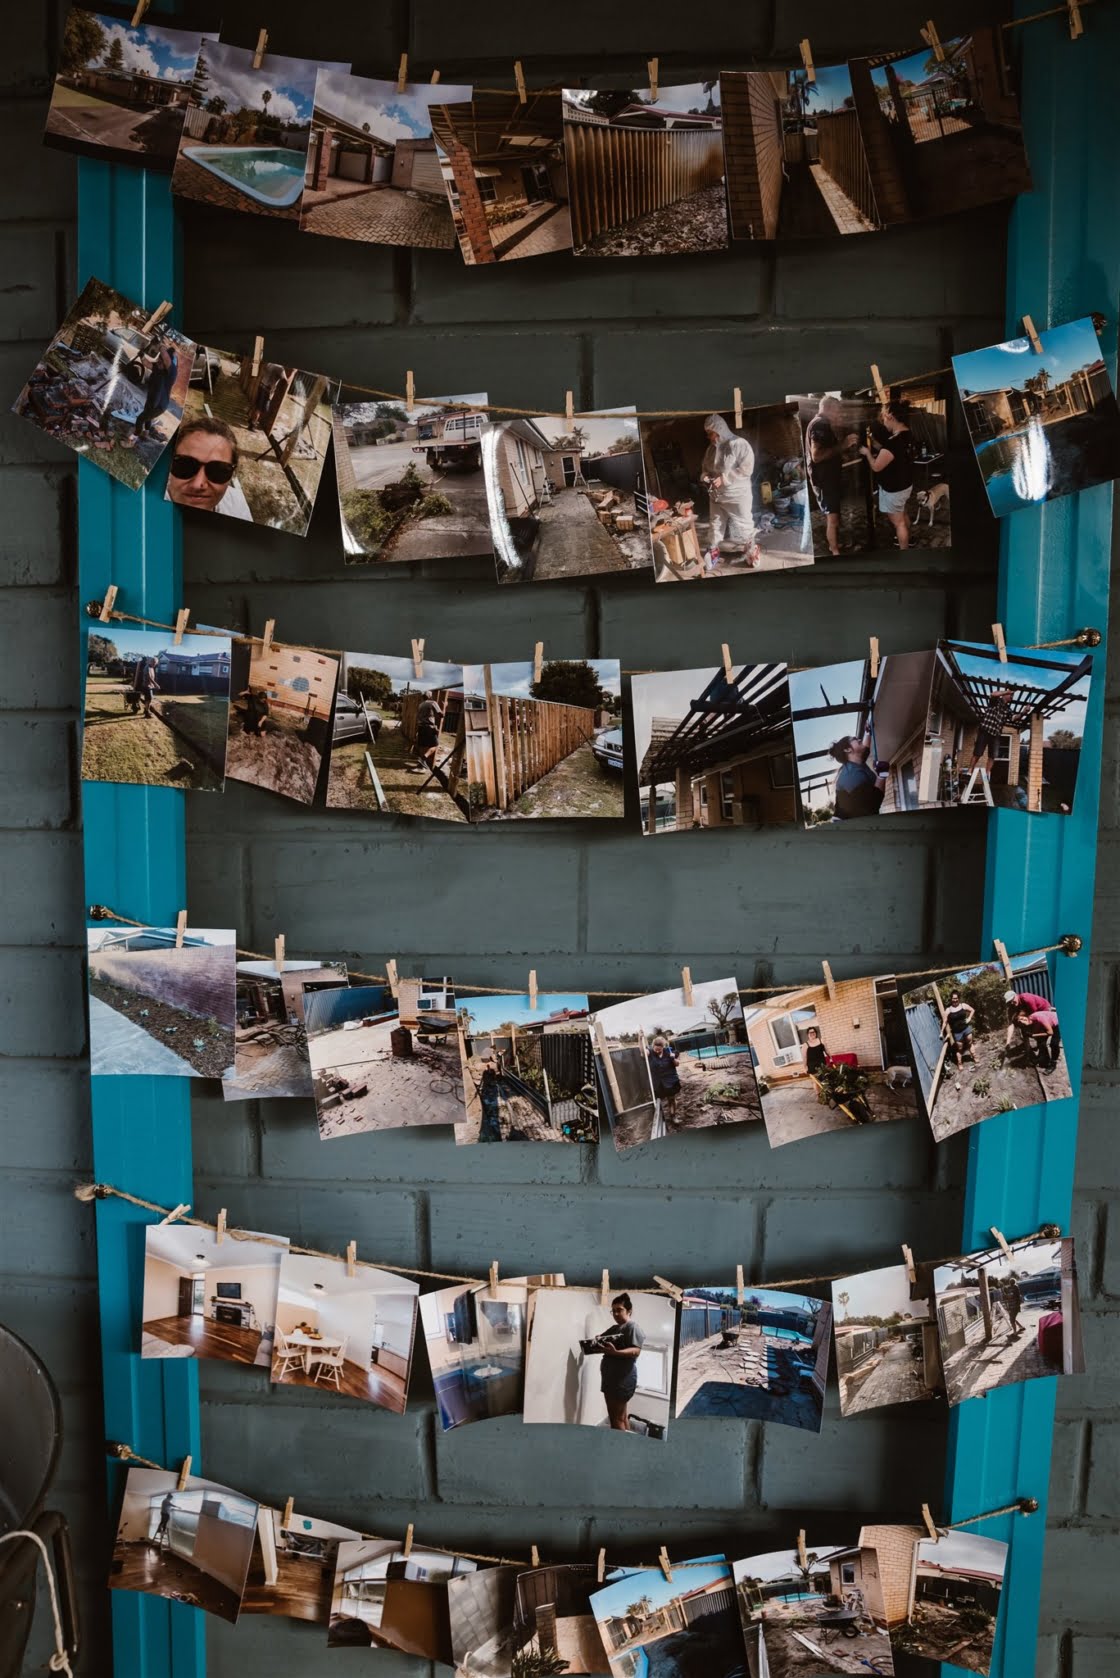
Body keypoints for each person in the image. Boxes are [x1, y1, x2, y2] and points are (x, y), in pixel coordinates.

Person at [700, 414, 760, 568]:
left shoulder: (739, 444)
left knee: (744, 524)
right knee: (715, 524)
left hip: (737, 496)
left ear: (719, 429)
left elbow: (747, 468)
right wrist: (706, 477)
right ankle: (713, 549)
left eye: (711, 433)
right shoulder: (710, 450)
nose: (709, 437)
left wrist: (724, 478)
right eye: (707, 434)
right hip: (716, 496)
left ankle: (751, 549)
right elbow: (705, 469)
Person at [165, 417, 251, 519]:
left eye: (217, 471)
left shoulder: (238, 506)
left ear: (232, 474)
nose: (197, 485)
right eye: (185, 466)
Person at [805, 397, 859, 556]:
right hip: (824, 481)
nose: (839, 414)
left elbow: (827, 451)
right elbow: (817, 456)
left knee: (834, 515)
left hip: (828, 479)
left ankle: (834, 544)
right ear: (828, 408)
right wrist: (843, 445)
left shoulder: (821, 423)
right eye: (837, 410)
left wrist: (841, 455)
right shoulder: (820, 424)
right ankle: (835, 551)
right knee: (832, 518)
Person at [859, 400, 914, 550]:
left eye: (883, 418)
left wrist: (867, 453)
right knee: (902, 514)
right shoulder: (908, 434)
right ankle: (909, 539)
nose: (883, 422)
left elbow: (876, 467)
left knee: (899, 523)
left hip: (895, 490)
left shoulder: (894, 442)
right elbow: (890, 453)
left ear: (890, 416)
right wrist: (873, 441)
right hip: (905, 485)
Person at [593, 1293, 645, 1432]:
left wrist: (615, 1352)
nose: (615, 1314)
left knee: (615, 1419)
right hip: (611, 1378)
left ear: (629, 1311)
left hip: (621, 1379)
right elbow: (602, 1340)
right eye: (613, 1311)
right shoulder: (615, 1328)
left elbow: (636, 1351)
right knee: (621, 1417)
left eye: (619, 1310)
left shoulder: (633, 1327)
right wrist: (598, 1340)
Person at [828, 734, 888, 821]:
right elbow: (873, 804)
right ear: (847, 749)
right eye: (854, 739)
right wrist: (882, 775)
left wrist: (868, 733)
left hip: (861, 819)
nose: (859, 739)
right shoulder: (851, 776)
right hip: (847, 825)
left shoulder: (858, 761)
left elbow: (866, 750)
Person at [133, 335, 178, 440]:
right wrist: (142, 356)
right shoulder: (158, 367)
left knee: (140, 419)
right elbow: (147, 363)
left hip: (159, 405)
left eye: (160, 361)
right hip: (151, 400)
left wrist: (160, 345)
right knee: (147, 418)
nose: (158, 362)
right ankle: (146, 434)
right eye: (158, 360)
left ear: (166, 363)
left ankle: (132, 439)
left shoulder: (171, 373)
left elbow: (166, 358)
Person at [966, 685, 1015, 778]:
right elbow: (993, 694)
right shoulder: (995, 701)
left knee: (992, 756)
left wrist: (1024, 712)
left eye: (1012, 696)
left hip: (996, 734)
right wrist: (1007, 691)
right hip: (985, 730)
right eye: (1011, 695)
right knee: (977, 753)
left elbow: (1013, 718)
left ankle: (987, 773)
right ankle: (970, 770)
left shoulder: (1008, 709)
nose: (1012, 697)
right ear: (1005, 694)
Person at [1004, 987, 1062, 1064]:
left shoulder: (1026, 998)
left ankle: (1047, 1057)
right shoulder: (1012, 1006)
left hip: (1043, 1009)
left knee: (1042, 1036)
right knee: (1031, 1033)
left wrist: (1035, 1033)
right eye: (1009, 1002)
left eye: (1012, 1000)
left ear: (1016, 995)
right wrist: (1008, 1042)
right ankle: (1036, 1054)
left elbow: (1034, 1015)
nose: (1012, 1003)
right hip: (1033, 1015)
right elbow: (1011, 1024)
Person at [1014, 998, 1061, 1071]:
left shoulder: (1038, 1018)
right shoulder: (1030, 1022)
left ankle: (1053, 1064)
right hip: (1049, 1023)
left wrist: (1033, 1035)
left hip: (1058, 1022)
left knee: (1054, 1043)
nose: (1022, 1021)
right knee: (1041, 1041)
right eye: (1020, 1022)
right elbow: (1037, 1033)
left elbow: (1050, 1032)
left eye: (1022, 1019)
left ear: (1025, 1017)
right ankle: (1045, 1059)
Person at [647, 1035, 681, 1124]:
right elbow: (643, 1052)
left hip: (670, 1080)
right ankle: (660, 1118)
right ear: (653, 1046)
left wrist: (673, 1058)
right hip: (657, 1082)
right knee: (658, 1101)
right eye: (656, 1049)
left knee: (671, 1099)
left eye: (659, 1049)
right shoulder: (650, 1053)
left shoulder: (668, 1051)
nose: (657, 1051)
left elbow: (677, 1064)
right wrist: (640, 1038)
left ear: (663, 1047)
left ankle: (673, 1116)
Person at [409, 691, 445, 775]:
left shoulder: (421, 705)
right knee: (435, 746)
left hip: (421, 727)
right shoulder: (433, 703)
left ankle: (421, 766)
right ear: (430, 696)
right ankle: (423, 759)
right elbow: (441, 715)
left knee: (423, 747)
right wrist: (444, 706)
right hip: (429, 728)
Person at [942, 991, 976, 1067]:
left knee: (970, 1044)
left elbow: (972, 1010)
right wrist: (941, 1032)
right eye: (953, 998)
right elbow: (944, 1022)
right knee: (960, 1049)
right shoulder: (948, 1010)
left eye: (956, 998)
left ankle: (975, 1058)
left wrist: (969, 1018)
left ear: (959, 998)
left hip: (966, 1029)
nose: (955, 1000)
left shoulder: (963, 1005)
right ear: (951, 999)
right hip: (957, 1032)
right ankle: (960, 1063)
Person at [130, 654, 159, 718]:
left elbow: (152, 677)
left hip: (150, 686)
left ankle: (146, 710)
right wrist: (156, 684)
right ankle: (146, 712)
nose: (155, 664)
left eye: (156, 663)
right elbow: (149, 678)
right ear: (151, 662)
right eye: (154, 662)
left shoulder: (151, 668)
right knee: (149, 699)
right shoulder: (147, 667)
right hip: (146, 686)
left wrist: (153, 685)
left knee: (149, 699)